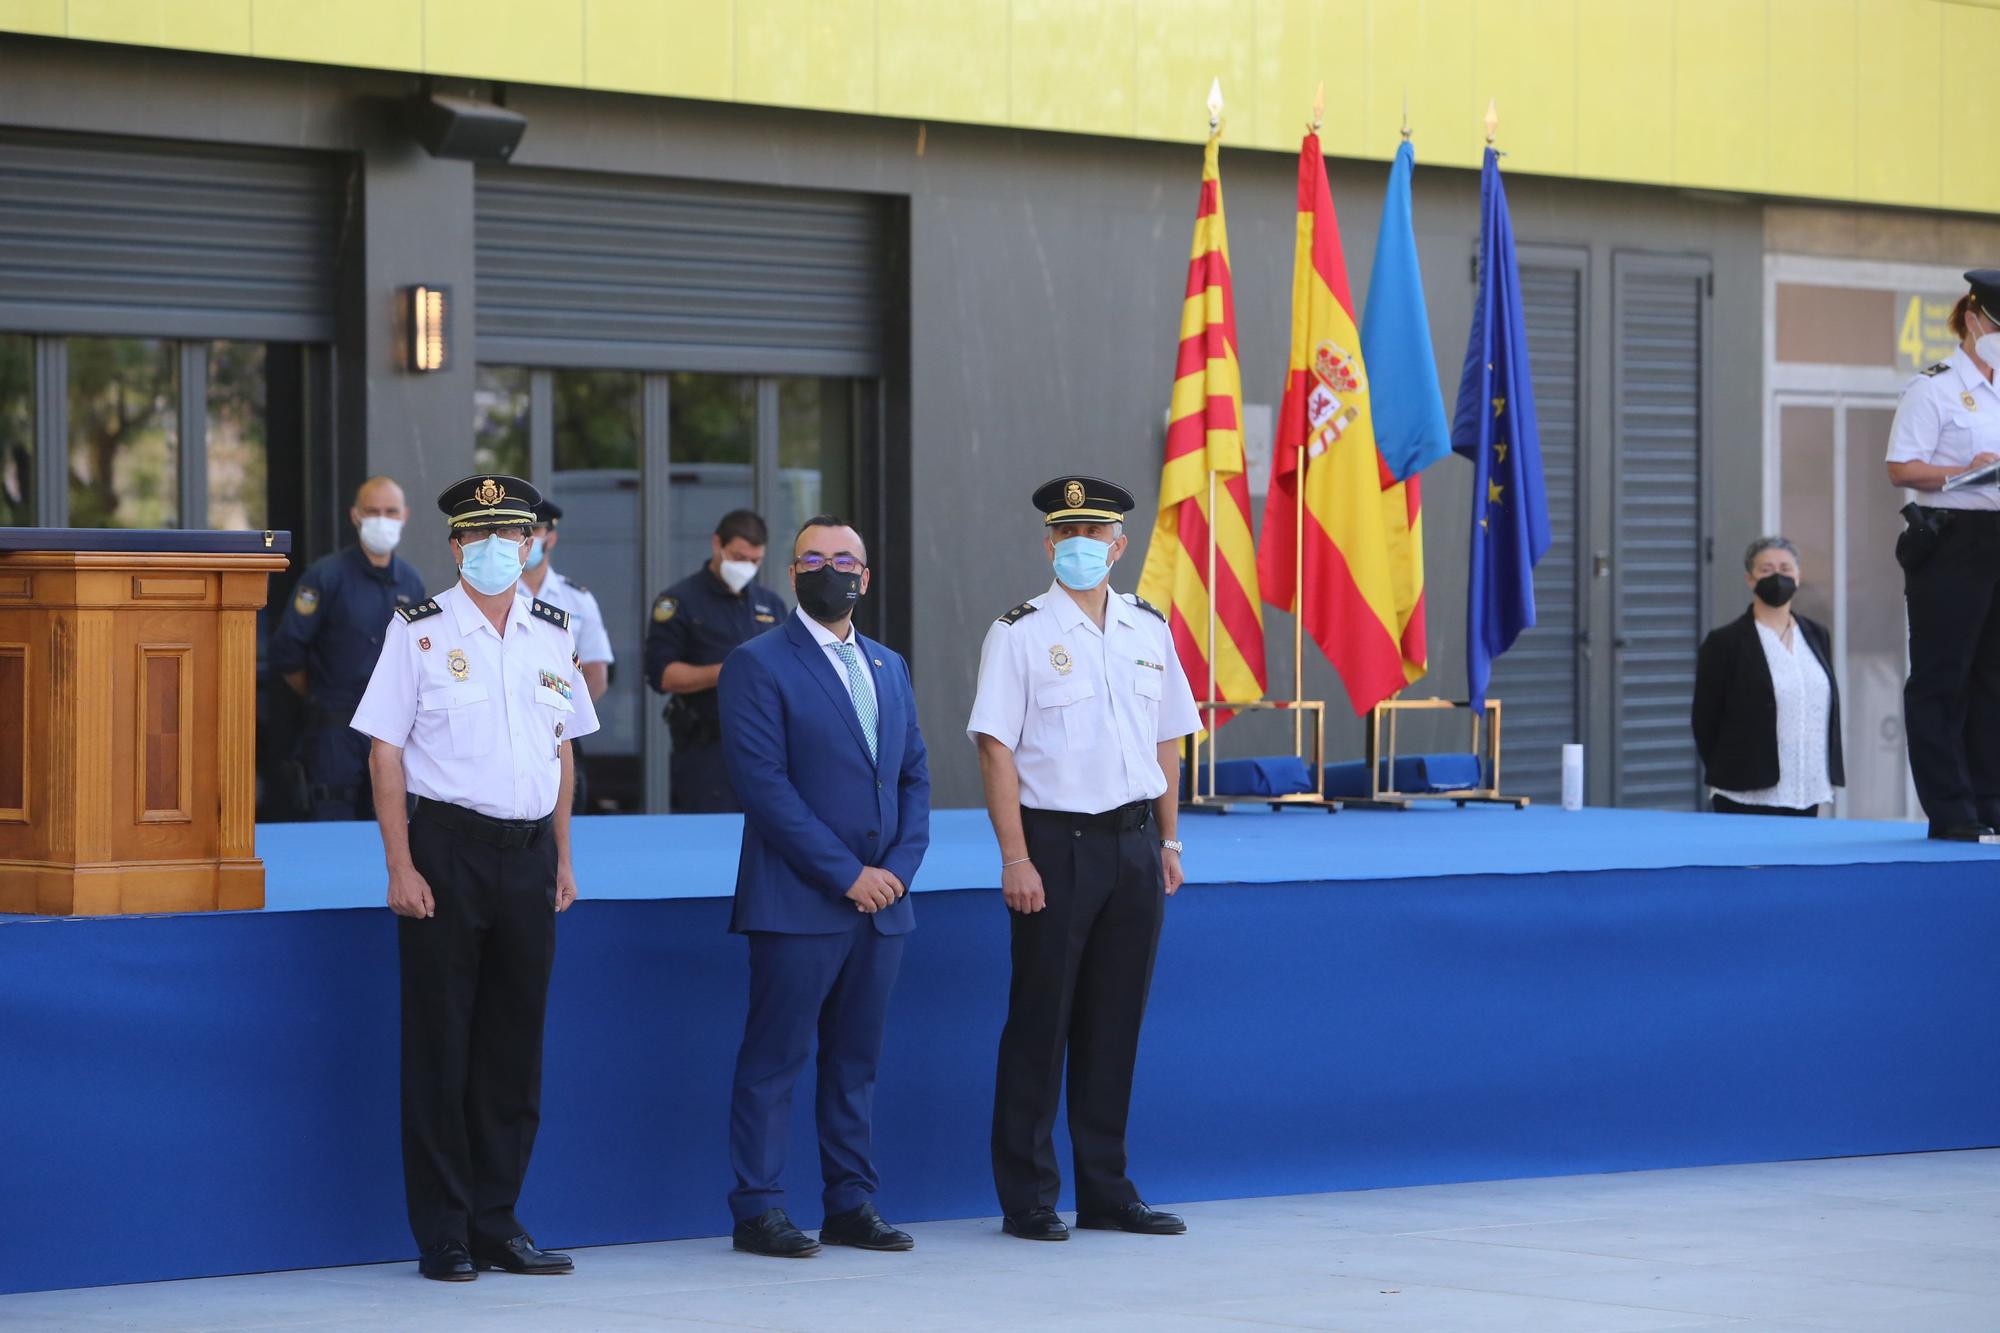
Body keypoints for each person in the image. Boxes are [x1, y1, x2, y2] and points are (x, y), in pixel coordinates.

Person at [349, 473, 598, 1282]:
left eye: (511, 536)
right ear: (456, 545)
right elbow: (384, 748)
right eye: (478, 536)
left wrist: (563, 855)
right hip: (446, 852)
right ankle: (445, 1232)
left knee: (512, 1049)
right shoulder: (417, 629)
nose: (496, 550)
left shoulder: (552, 630)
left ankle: (499, 1219)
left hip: (528, 857)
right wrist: (400, 863)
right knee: (441, 1048)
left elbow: (561, 748)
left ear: (531, 545)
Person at [966, 475, 1200, 1243]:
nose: (1081, 548)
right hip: (1055, 846)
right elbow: (994, 747)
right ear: (1048, 545)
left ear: (1119, 545)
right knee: (1042, 1020)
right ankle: (1029, 1196)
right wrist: (1014, 856)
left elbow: (1168, 736)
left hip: (1134, 843)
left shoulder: (1147, 626)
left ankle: (1107, 1188)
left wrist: (1168, 838)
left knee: (1114, 1021)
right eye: (1067, 537)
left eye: (1095, 536)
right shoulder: (1020, 631)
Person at [716, 514, 929, 1259]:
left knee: (855, 1064)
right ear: (795, 571)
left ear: (865, 578)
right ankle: (760, 1208)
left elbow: (913, 777)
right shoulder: (758, 662)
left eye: (845, 559)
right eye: (814, 557)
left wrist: (897, 872)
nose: (830, 568)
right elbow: (764, 787)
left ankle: (851, 1202)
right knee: (774, 1059)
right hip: (798, 904)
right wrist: (848, 875)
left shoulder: (889, 666)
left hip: (882, 911)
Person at [1887, 268, 2000, 842]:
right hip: (1952, 537)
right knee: (1943, 677)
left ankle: (1990, 801)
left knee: (1992, 679)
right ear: (1975, 318)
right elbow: (1901, 468)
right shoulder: (1931, 386)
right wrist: (1968, 470)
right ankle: (1951, 808)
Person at [267, 476, 427, 819]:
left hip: (394, 733)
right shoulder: (325, 577)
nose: (382, 519)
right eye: (373, 511)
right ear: (355, 516)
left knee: (394, 826)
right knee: (331, 824)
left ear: (405, 516)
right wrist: (322, 695)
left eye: (390, 511)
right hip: (335, 730)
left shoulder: (412, 582)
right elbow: (287, 652)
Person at [644, 510, 788, 812]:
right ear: (717, 545)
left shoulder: (770, 604)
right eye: (738, 557)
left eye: (754, 561)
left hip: (765, 746)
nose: (746, 567)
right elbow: (662, 674)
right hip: (706, 747)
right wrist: (727, 672)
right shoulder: (679, 601)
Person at [1691, 537, 1843, 816]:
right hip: (1746, 791)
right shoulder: (1726, 641)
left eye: (1785, 569)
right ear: (1750, 579)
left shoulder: (1816, 634)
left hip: (1806, 788)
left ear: (1798, 577)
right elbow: (1705, 719)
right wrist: (1729, 768)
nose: (1777, 577)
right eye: (1766, 569)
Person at [518, 497, 612, 813]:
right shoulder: (494, 593)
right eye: (521, 531)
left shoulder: (577, 599)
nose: (529, 539)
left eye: (536, 531)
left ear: (551, 537)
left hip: (561, 733)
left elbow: (596, 675)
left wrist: (559, 721)